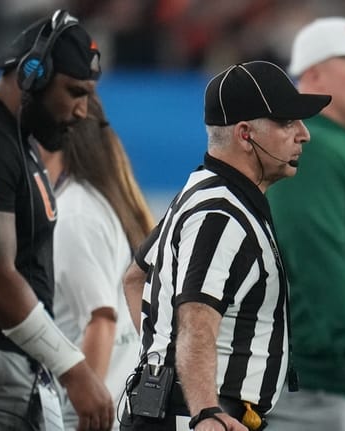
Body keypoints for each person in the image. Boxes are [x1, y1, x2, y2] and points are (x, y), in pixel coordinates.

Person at [120, 60, 331, 431]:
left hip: (184, 410)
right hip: (200, 416)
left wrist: (162, 360)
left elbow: (135, 277)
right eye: (286, 122)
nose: (303, 134)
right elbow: (197, 318)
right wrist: (204, 409)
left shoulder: (205, 191)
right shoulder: (220, 212)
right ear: (245, 134)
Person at [265, 17, 345, 431]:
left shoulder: (343, 146)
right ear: (314, 74)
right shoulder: (314, 146)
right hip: (329, 387)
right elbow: (317, 263)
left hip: (344, 381)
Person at [0, 10, 115, 431]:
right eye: (75, 92)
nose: (82, 111)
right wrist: (73, 369)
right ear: (33, 75)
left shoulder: (19, 142)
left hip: (20, 374)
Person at [38, 93, 155, 430]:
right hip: (119, 406)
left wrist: (81, 417)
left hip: (92, 414)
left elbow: (100, 320)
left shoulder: (76, 214)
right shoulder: (99, 202)